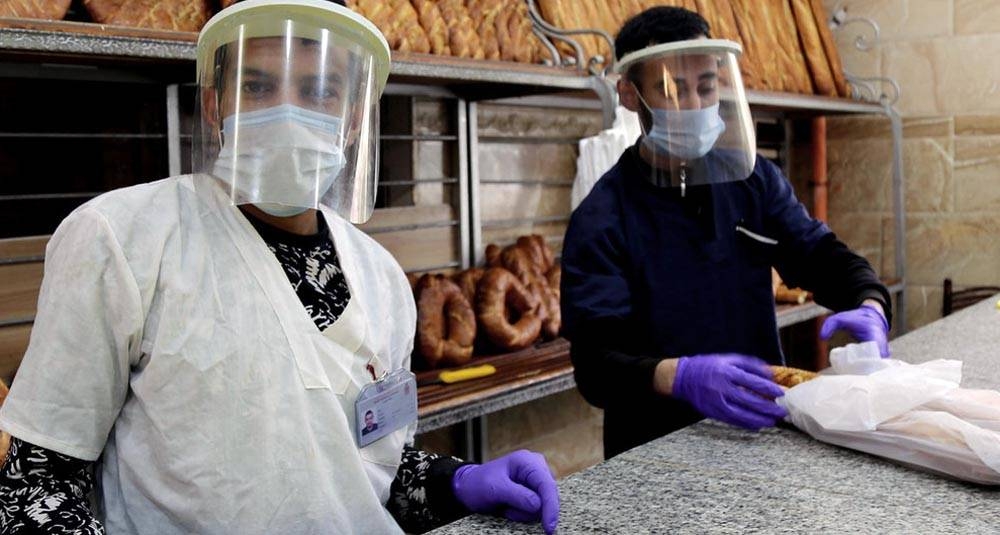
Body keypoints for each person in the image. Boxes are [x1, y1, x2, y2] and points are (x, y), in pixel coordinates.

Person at [0, 1, 558, 534]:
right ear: (217, 103)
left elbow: (366, 473)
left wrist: (455, 481)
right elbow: (36, 486)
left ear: (353, 112)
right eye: (259, 85)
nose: (288, 112)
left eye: (320, 90)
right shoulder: (124, 239)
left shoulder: (382, 278)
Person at [561, 7, 892, 460]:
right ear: (629, 95)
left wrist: (869, 302)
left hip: (760, 433)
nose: (694, 106)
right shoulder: (602, 217)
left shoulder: (752, 183)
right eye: (673, 88)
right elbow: (596, 367)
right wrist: (680, 376)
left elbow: (819, 254)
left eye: (706, 86)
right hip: (651, 456)